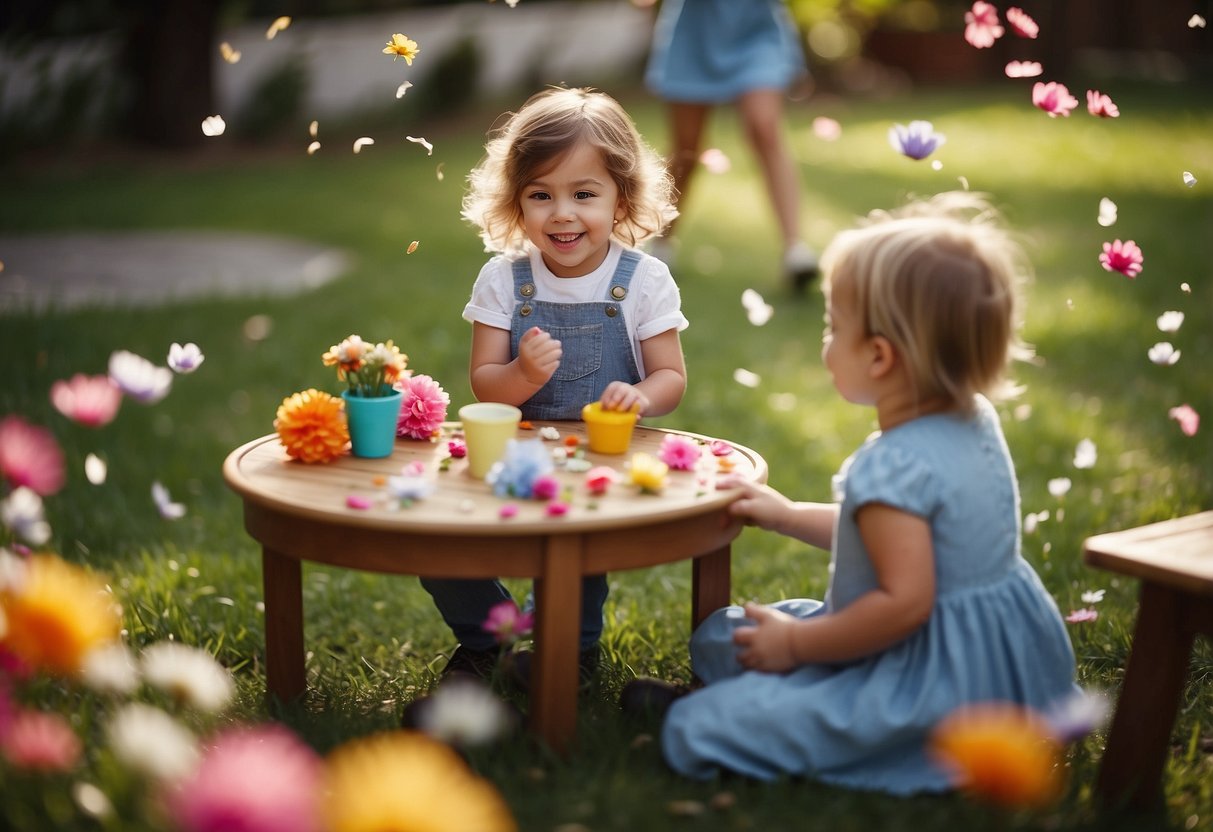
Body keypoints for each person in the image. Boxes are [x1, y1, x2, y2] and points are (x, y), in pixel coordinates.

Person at [621, 192, 1079, 794]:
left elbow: (901, 606)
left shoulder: (892, 467)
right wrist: (786, 516)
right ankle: (768, 685)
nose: (826, 340)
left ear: (881, 357)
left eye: (835, 327)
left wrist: (799, 644)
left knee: (694, 728)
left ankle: (748, 714)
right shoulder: (973, 420)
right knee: (720, 636)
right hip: (1000, 658)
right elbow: (894, 537)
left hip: (925, 678)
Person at [422, 86, 689, 684]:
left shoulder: (643, 280)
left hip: (602, 457)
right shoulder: (503, 279)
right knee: (441, 546)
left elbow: (671, 377)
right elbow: (487, 386)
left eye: (584, 194)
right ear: (516, 203)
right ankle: (487, 636)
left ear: (622, 198)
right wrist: (522, 374)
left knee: (577, 556)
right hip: (514, 453)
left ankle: (568, 647)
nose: (562, 213)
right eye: (540, 195)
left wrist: (641, 397)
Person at [644, 0, 819, 291]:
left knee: (766, 129)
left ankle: (794, 249)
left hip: (756, 27)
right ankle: (661, 243)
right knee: (686, 148)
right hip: (695, 31)